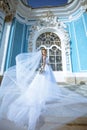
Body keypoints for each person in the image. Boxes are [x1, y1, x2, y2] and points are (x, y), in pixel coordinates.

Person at [0, 48, 87, 130]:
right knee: (45, 82)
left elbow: (45, 63)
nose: (44, 53)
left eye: (44, 52)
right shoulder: (44, 56)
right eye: (44, 52)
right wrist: (42, 68)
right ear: (43, 52)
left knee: (46, 82)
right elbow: (44, 63)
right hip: (46, 69)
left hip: (47, 69)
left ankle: (47, 93)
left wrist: (44, 67)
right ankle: (46, 94)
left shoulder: (44, 56)